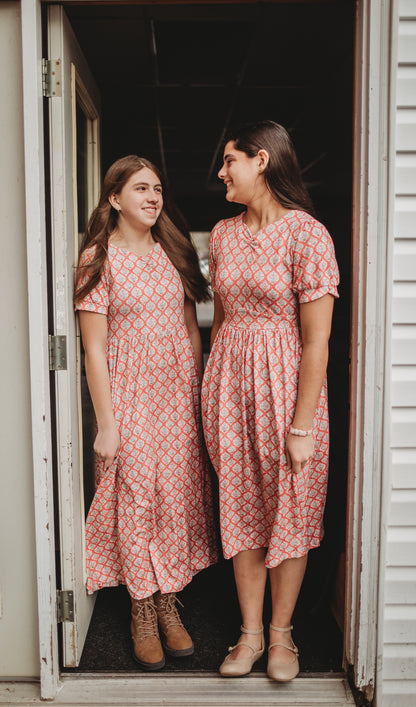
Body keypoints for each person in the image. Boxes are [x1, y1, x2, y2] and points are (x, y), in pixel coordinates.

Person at [201, 120, 339, 682]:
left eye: (229, 160)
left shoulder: (307, 234)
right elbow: (226, 321)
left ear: (260, 160)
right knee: (240, 509)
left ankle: (283, 636)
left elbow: (317, 339)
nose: (221, 172)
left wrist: (302, 424)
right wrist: (214, 389)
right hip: (230, 389)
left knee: (291, 508)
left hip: (287, 392)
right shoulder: (222, 233)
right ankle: (250, 633)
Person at [74, 155, 218, 671]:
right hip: (127, 396)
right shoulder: (96, 258)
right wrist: (106, 424)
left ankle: (167, 600)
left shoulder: (172, 249)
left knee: (173, 496)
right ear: (115, 199)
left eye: (157, 188)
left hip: (177, 395)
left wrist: (197, 393)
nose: (153, 197)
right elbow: (93, 349)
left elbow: (190, 330)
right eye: (140, 189)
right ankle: (141, 605)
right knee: (135, 495)